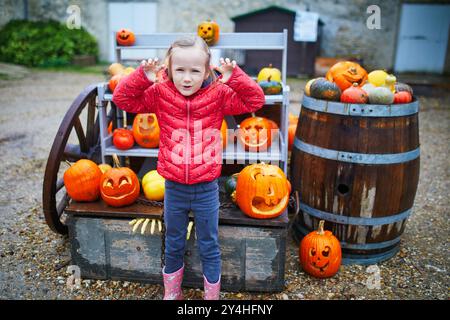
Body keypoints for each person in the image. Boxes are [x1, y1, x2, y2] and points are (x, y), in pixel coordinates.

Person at [112, 35, 265, 300]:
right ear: (168, 69)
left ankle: (211, 296)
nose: (186, 78)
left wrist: (234, 76)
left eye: (195, 71)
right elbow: (122, 99)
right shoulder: (160, 93)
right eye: (180, 70)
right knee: (173, 242)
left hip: (206, 187)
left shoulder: (219, 94)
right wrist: (142, 77)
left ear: (207, 70)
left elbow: (255, 101)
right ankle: (172, 293)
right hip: (174, 188)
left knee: (209, 244)